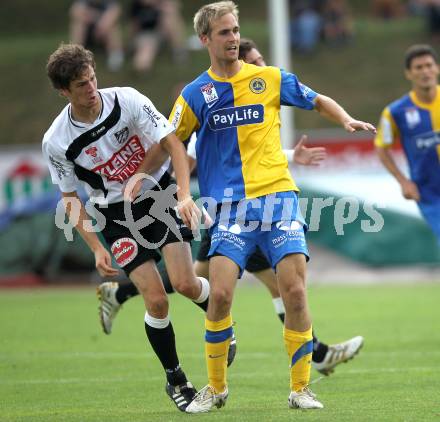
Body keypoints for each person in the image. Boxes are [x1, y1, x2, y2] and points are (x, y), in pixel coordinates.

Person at [168, 1, 376, 413]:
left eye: (235, 30)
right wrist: (178, 189)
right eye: (224, 32)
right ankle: (217, 389)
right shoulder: (194, 94)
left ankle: (300, 389)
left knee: (295, 293)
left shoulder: (269, 79)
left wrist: (346, 119)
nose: (233, 38)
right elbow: (171, 138)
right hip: (230, 208)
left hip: (279, 199)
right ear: (205, 39)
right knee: (221, 296)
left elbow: (316, 99)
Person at [42, 43, 218, 412]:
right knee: (156, 299)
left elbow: (173, 146)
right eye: (80, 85)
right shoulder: (57, 140)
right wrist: (95, 247)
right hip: (113, 216)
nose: (91, 88)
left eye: (91, 78)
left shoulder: (127, 99)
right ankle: (175, 378)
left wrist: (184, 195)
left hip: (158, 194)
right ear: (63, 92)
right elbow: (70, 197)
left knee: (186, 283)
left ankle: (222, 322)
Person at [375, 44, 440, 244]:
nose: (425, 71)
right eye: (418, 68)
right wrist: (403, 181)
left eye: (428, 65)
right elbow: (381, 148)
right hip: (429, 192)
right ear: (409, 74)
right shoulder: (395, 112)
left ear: (437, 68)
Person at [129, 0, 187, 72]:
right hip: (146, 36)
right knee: (142, 62)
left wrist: (163, 6)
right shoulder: (137, 6)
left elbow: (177, 7)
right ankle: (141, 68)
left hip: (160, 33)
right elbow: (134, 27)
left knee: (170, 16)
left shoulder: (162, 4)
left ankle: (179, 50)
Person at [69, 0, 124, 71]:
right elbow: (75, 12)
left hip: (104, 33)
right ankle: (76, 56)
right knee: (78, 26)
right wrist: (96, 16)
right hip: (88, 33)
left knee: (112, 27)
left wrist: (102, 24)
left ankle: (115, 55)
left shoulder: (109, 2)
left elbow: (114, 12)